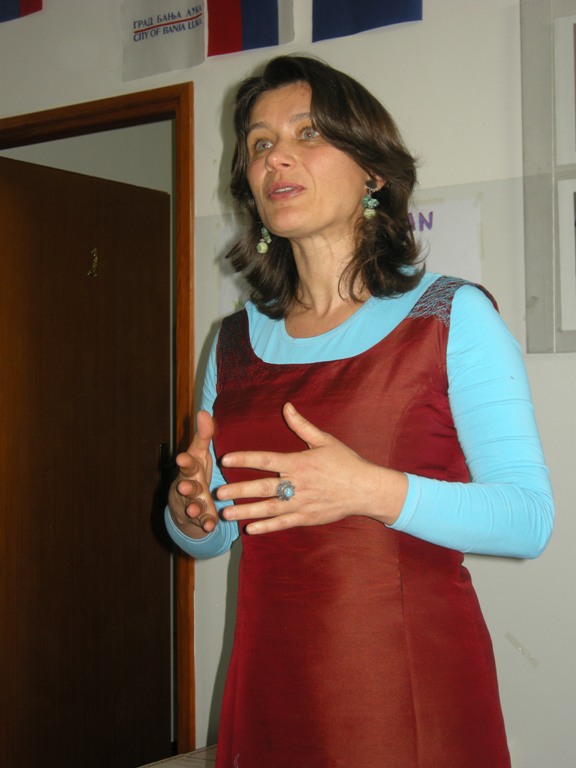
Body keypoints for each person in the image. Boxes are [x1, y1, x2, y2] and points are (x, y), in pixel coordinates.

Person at [165, 55, 554, 768]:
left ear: (372, 171)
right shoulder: (233, 343)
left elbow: (530, 519)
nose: (276, 156)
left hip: (405, 690)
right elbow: (216, 533)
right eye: (259, 143)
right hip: (269, 685)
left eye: (307, 133)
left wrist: (369, 490)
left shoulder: (450, 315)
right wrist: (192, 513)